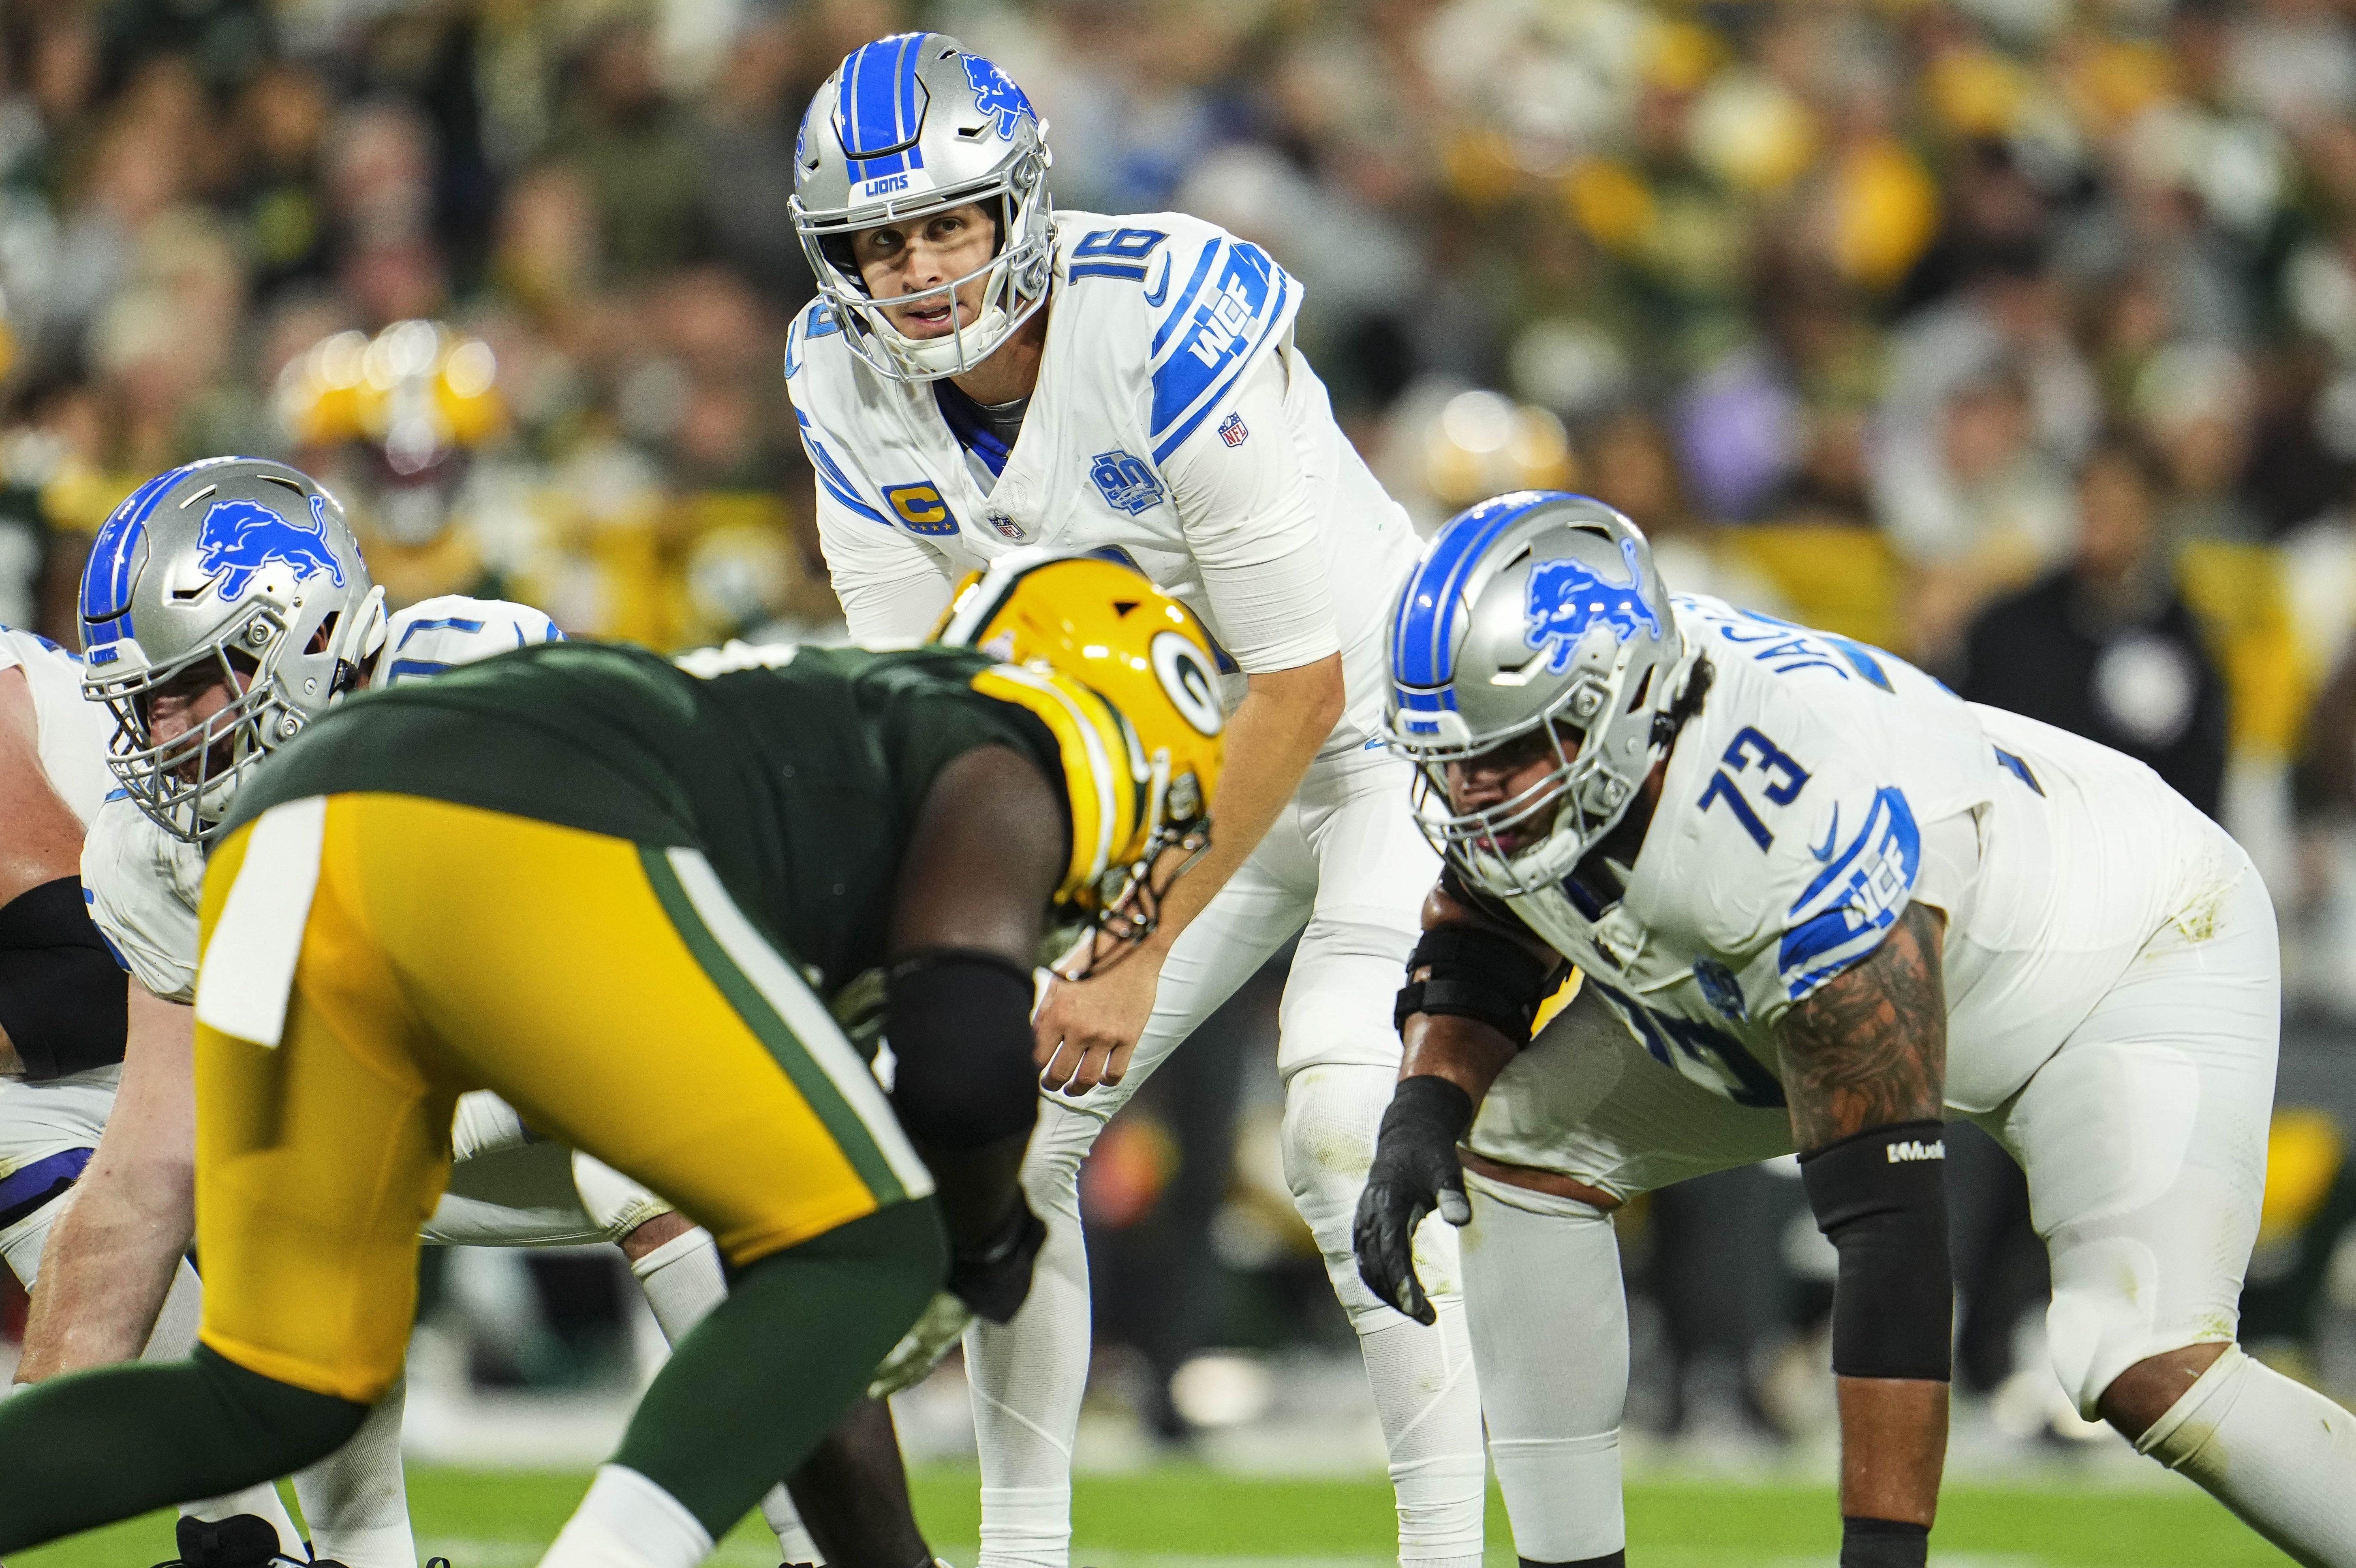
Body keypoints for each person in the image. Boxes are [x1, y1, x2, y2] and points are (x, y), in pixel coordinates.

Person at [0, 547, 1225, 1568]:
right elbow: (963, 1066)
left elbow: (156, 1167)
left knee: (275, 1387)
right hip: (516, 904)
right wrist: (979, 1248)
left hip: (366, 932)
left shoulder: (821, 715)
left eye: (193, 690)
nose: (163, 733)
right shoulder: (1009, 761)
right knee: (843, 1234)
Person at [1353, 491, 2356, 1568]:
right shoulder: (1585, 725)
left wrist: (1881, 1552)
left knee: (2137, 1355)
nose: (1470, 794)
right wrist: (1424, 1102)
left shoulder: (1790, 826)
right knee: (1517, 1151)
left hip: (2120, 953)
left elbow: (1889, 1238)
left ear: (1624, 705)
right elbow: (1488, 926)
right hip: (1814, 965)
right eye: (1452, 758)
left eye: (1506, 756)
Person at [787, 35, 1481, 1568]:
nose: (910, 271)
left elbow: (1296, 686)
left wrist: (1124, 951)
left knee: (1339, 1117)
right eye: (878, 241)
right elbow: (927, 707)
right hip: (1160, 775)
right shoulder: (837, 374)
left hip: (1375, 738)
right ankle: (1021, 1549)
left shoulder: (1163, 310)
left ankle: (1447, 1551)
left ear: (1018, 208)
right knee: (997, 1129)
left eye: (943, 227)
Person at [20, 456, 845, 1568]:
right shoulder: (156, 853)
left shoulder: (473, 681)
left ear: (302, 634)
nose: (162, 733)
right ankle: (366, 1558)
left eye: (192, 684)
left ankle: (827, 1547)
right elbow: (143, 1173)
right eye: (142, 701)